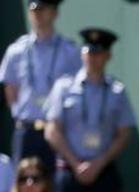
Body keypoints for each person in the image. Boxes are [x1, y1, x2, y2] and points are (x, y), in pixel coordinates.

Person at [44, 28, 136, 192]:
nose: (92, 58)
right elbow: (52, 130)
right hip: (70, 171)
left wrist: (98, 163)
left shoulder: (117, 91)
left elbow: (125, 133)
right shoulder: (64, 88)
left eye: (98, 53)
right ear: (82, 53)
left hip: (103, 172)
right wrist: (76, 164)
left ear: (108, 56)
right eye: (88, 52)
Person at [0, 0, 81, 179]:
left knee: (54, 187)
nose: (37, 14)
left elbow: (76, 91)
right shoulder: (16, 51)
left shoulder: (69, 51)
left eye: (43, 9)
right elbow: (10, 88)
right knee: (22, 186)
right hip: (26, 130)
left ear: (54, 13)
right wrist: (20, 115)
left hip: (57, 132)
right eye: (33, 10)